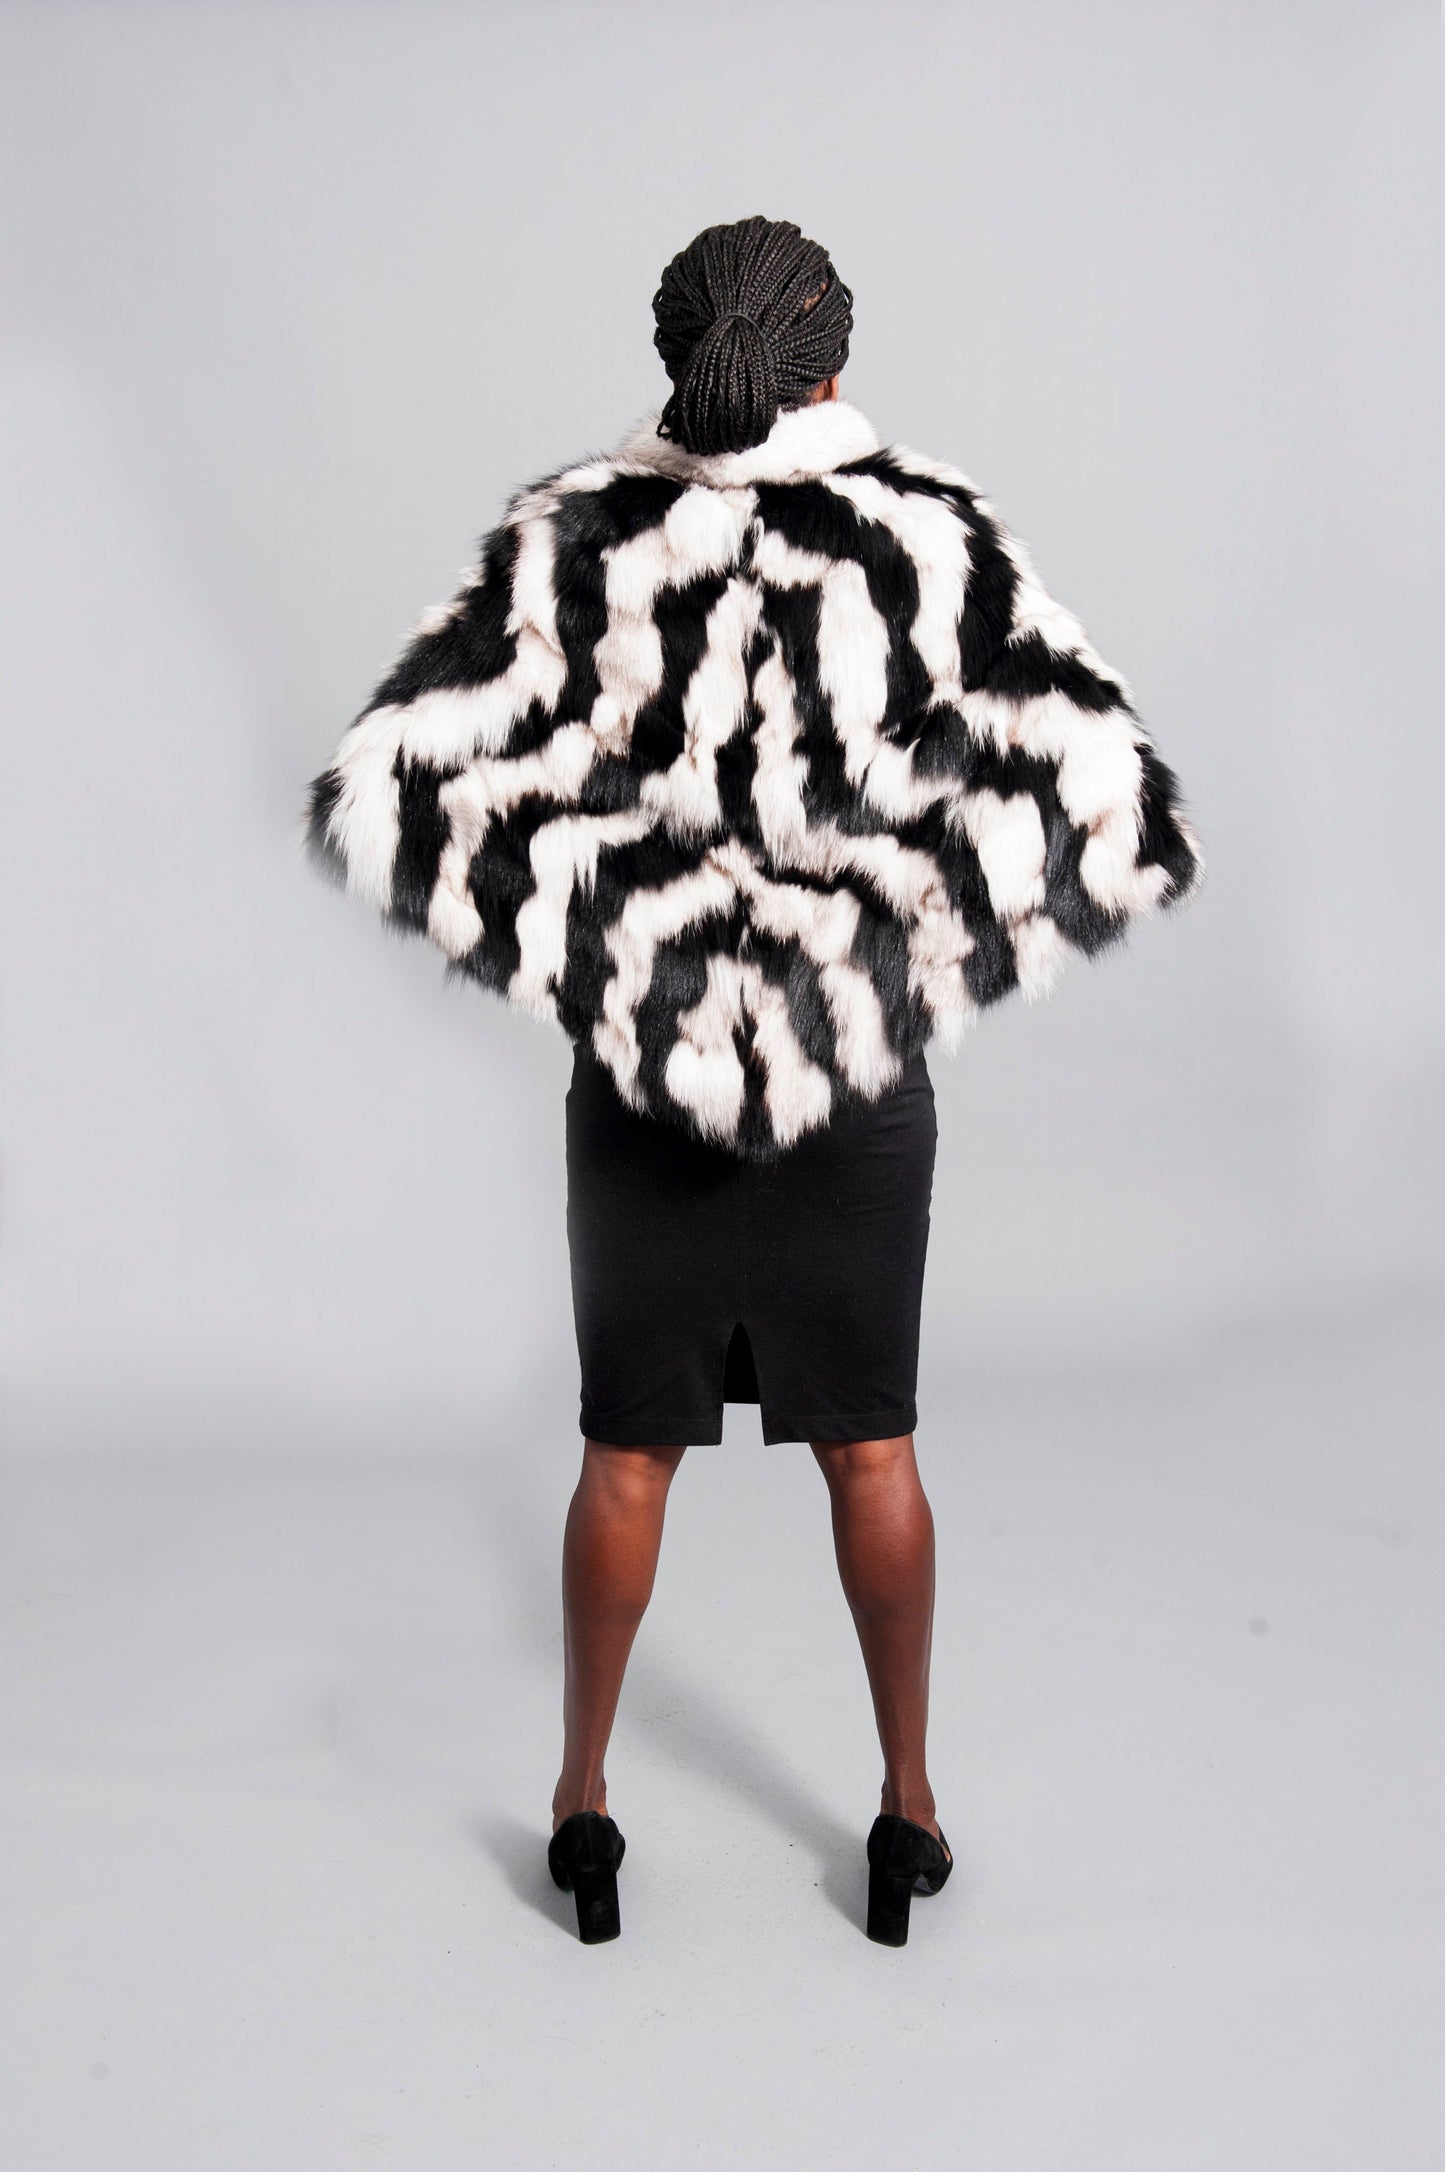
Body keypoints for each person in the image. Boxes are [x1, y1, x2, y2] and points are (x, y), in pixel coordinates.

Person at [305, 214, 1203, 1947]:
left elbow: (394, 792)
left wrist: (603, 956)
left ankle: (581, 1805)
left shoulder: (574, 541)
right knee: (872, 1450)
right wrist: (893, 955)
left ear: (675, 357)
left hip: (638, 1091)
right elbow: (1105, 802)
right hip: (852, 1091)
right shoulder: (926, 543)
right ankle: (907, 1812)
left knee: (624, 1458)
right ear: (830, 366)